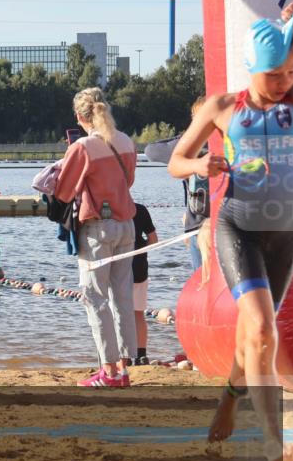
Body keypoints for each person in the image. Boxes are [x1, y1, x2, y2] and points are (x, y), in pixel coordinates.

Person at [168, 2, 293, 461]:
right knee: (263, 329)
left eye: (292, 71)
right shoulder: (223, 108)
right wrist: (201, 164)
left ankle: (229, 396)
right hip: (238, 227)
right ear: (252, 69)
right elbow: (175, 161)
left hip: (284, 235)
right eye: (275, 74)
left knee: (253, 334)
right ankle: (272, 443)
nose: (285, 81)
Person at [54, 87, 138, 388]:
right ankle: (125, 367)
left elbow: (62, 192)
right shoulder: (126, 140)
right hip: (127, 224)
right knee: (122, 297)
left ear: (79, 116)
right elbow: (129, 180)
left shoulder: (82, 147)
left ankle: (109, 371)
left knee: (94, 298)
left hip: (98, 229)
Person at [144, 97, 210, 270]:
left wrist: (185, 137)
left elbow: (151, 150)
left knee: (204, 286)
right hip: (226, 225)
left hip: (199, 227)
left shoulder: (188, 146)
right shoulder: (231, 141)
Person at [132, 203, 158, 365]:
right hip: (139, 266)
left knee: (118, 313)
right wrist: (141, 252)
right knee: (138, 313)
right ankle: (141, 354)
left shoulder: (108, 209)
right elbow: (153, 239)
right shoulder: (140, 209)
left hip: (118, 268)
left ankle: (124, 354)